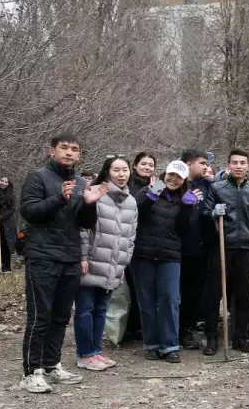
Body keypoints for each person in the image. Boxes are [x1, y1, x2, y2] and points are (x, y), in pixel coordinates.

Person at [18, 133, 103, 393]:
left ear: (79, 155)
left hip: (70, 257)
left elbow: (86, 223)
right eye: (63, 148)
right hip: (42, 256)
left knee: (60, 316)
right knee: (39, 316)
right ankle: (31, 372)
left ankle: (52, 365)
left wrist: (90, 204)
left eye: (74, 149)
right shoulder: (38, 177)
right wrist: (59, 199)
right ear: (51, 151)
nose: (69, 153)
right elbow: (29, 211)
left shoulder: (79, 182)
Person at [200, 149, 249, 354]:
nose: (239, 166)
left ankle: (240, 337)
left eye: (243, 163)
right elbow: (204, 213)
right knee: (214, 293)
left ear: (248, 166)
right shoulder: (217, 188)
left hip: (245, 249)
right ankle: (212, 338)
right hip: (222, 247)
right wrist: (213, 213)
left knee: (243, 295)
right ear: (229, 165)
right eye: (235, 162)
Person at [75, 157, 138, 372]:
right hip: (91, 260)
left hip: (114, 265)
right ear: (107, 172)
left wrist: (123, 264)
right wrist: (83, 257)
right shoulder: (95, 194)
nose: (121, 174)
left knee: (101, 309)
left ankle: (95, 350)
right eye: (116, 170)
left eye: (125, 170)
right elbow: (83, 230)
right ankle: (84, 354)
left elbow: (131, 237)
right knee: (85, 308)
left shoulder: (131, 201)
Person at [133, 161, 197, 362]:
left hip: (169, 255)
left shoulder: (184, 198)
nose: (173, 179)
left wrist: (187, 208)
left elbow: (184, 231)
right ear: (165, 173)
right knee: (147, 301)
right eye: (171, 175)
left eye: (179, 177)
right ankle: (151, 344)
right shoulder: (152, 188)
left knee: (170, 299)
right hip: (143, 253)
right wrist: (151, 196)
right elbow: (137, 213)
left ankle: (170, 346)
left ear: (184, 180)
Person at [177, 149, 213, 349]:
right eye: (201, 162)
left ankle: (187, 330)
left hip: (200, 249)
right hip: (174, 248)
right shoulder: (170, 180)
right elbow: (149, 201)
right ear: (189, 163)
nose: (205, 166)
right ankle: (169, 331)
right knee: (173, 294)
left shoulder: (208, 185)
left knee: (194, 293)